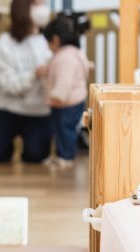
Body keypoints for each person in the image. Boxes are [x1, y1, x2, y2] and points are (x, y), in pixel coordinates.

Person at [0, 0, 53, 163]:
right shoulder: (5, 42)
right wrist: (34, 76)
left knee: (36, 155)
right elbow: (7, 85)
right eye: (37, 5)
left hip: (39, 111)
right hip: (9, 109)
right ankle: (5, 146)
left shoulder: (49, 41)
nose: (43, 9)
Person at [43, 16, 91, 167]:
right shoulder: (70, 54)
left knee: (65, 130)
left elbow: (64, 81)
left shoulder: (65, 57)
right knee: (61, 130)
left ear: (55, 40)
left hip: (66, 102)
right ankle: (61, 155)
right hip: (67, 102)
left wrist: (58, 96)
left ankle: (67, 156)